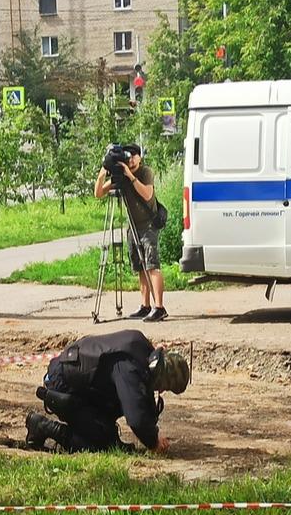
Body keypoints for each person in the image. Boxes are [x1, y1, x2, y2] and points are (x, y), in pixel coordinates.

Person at [24, 329, 190, 453]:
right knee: (102, 444)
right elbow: (136, 418)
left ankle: (102, 432)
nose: (160, 390)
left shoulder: (141, 351)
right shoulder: (130, 367)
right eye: (165, 386)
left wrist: (152, 430)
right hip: (62, 385)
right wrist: (153, 442)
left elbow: (141, 398)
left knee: (109, 432)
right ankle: (43, 426)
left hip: (78, 382)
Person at [94, 143, 166, 321]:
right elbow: (98, 193)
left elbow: (148, 194)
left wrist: (129, 175)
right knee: (140, 267)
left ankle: (160, 307)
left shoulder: (145, 172)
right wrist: (104, 171)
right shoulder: (120, 177)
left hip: (148, 225)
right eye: (129, 156)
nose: (131, 160)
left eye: (134, 156)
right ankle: (145, 305)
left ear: (140, 158)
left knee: (151, 265)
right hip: (132, 225)